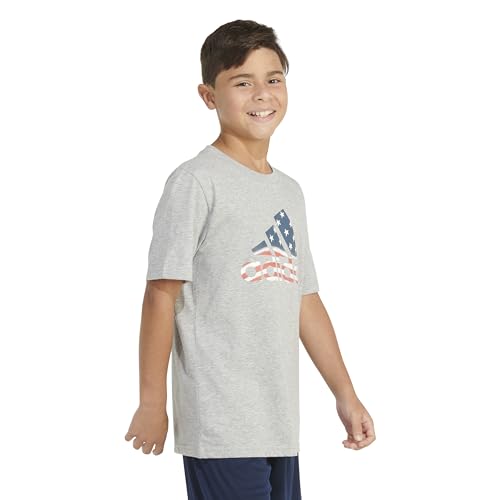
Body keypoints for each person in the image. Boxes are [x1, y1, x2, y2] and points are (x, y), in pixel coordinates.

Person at [125, 19, 376, 499]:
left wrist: (345, 394)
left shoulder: (288, 191)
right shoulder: (196, 182)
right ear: (209, 96)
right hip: (221, 423)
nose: (262, 94)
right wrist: (152, 402)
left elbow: (304, 299)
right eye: (242, 82)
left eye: (273, 79)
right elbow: (161, 294)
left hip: (278, 422)